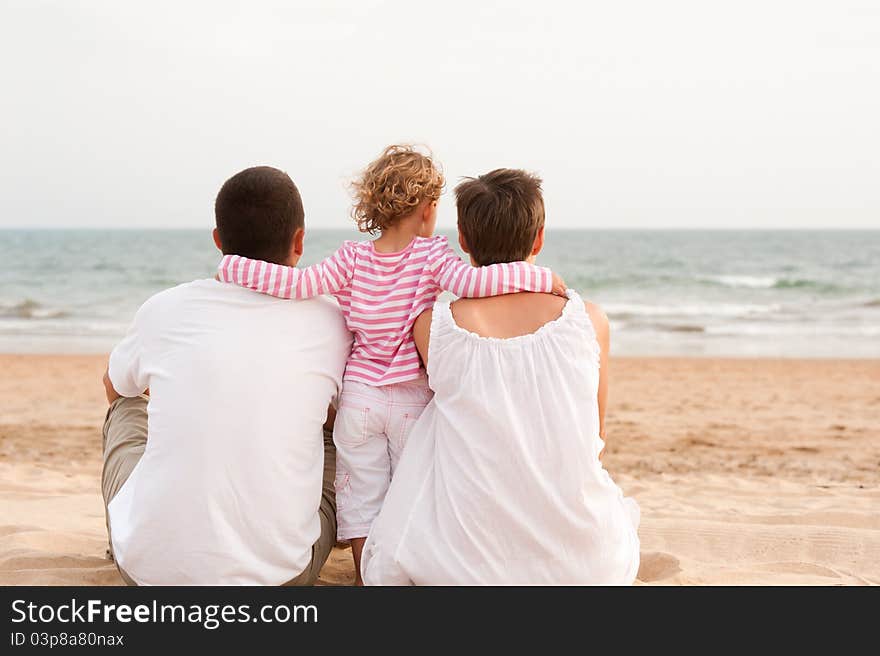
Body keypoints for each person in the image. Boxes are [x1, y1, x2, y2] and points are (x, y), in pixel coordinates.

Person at [217, 145, 566, 583]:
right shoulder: (433, 256)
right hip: (410, 403)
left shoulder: (351, 258)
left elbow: (296, 283)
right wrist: (541, 278)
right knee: (406, 498)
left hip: (359, 401)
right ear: (427, 209)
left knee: (362, 499)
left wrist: (232, 268)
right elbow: (476, 283)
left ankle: (368, 579)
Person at [361, 169, 641, 585]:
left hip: (465, 568)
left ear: (463, 240)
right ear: (539, 238)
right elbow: (595, 442)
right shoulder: (590, 320)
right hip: (590, 564)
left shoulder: (433, 327)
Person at [101, 166, 352, 585]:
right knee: (341, 429)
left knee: (126, 405)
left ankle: (137, 528)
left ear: (218, 240)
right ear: (300, 240)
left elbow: (115, 387)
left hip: (148, 574)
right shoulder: (331, 319)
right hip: (281, 578)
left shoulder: (165, 308)